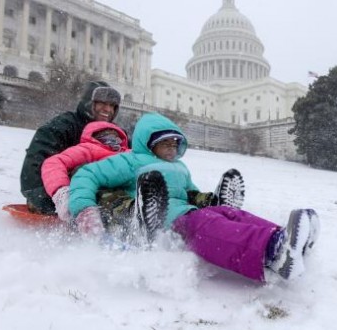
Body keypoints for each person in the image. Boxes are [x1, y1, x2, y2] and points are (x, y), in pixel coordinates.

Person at [68, 112, 319, 282]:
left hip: (186, 211)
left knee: (226, 214)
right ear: (148, 143)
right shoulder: (131, 160)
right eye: (165, 143)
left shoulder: (180, 168)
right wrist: (84, 209)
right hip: (160, 221)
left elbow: (190, 192)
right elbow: (87, 175)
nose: (172, 148)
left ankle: (285, 237)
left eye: (176, 143)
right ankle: (272, 250)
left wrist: (207, 201)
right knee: (208, 226)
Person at [20, 81, 122, 214]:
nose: (107, 109)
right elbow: (38, 156)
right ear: (89, 103)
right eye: (102, 103)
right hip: (61, 192)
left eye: (112, 106)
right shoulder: (65, 125)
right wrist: (39, 195)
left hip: (101, 193)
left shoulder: (115, 135)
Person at [41, 121, 130, 222]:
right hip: (102, 192)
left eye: (116, 137)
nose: (112, 140)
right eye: (105, 136)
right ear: (94, 137)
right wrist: (61, 191)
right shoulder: (88, 149)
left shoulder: (128, 153)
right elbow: (54, 163)